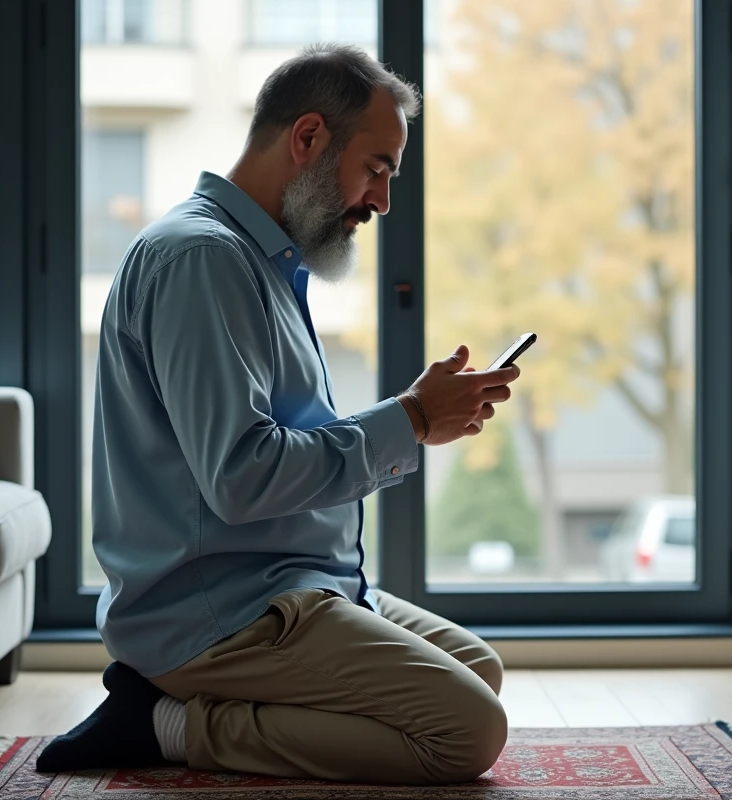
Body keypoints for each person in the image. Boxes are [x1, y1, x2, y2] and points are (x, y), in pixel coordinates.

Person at [36, 44, 520, 785]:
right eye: (378, 168)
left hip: (286, 580)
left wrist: (417, 417)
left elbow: (273, 447)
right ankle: (167, 720)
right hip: (221, 610)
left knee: (477, 671)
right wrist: (411, 420)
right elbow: (240, 478)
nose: (382, 201)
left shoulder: (258, 261)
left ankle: (196, 699)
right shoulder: (202, 262)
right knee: (466, 732)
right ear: (308, 139)